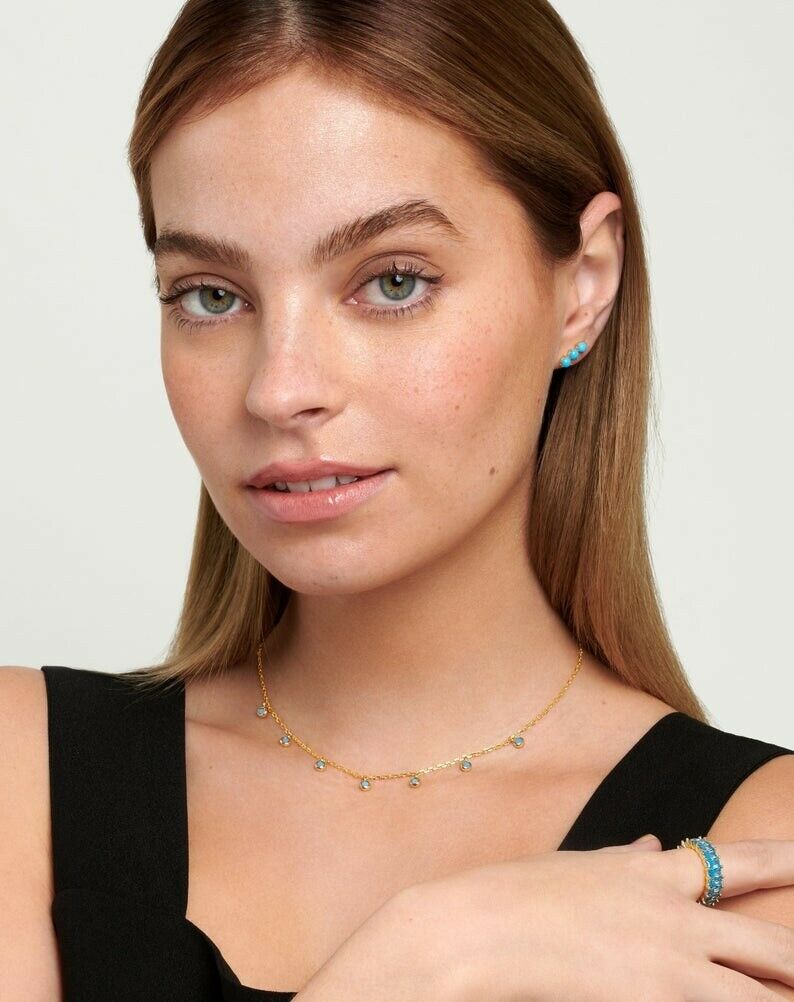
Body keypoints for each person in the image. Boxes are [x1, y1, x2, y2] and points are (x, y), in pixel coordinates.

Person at [2, 1, 793, 999]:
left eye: (393, 282)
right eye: (211, 294)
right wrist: (430, 953)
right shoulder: (19, 773)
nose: (279, 388)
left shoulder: (754, 851)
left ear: (583, 284)